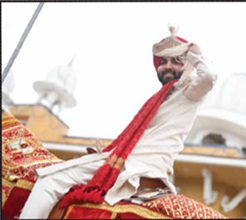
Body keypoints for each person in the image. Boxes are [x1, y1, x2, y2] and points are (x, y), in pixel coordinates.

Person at [19, 25, 218, 219]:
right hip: (127, 161)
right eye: (163, 62)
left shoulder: (189, 92)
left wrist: (195, 55)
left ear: (187, 66)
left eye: (176, 61)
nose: (168, 66)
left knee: (50, 179)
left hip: (136, 167)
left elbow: (207, 76)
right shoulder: (162, 97)